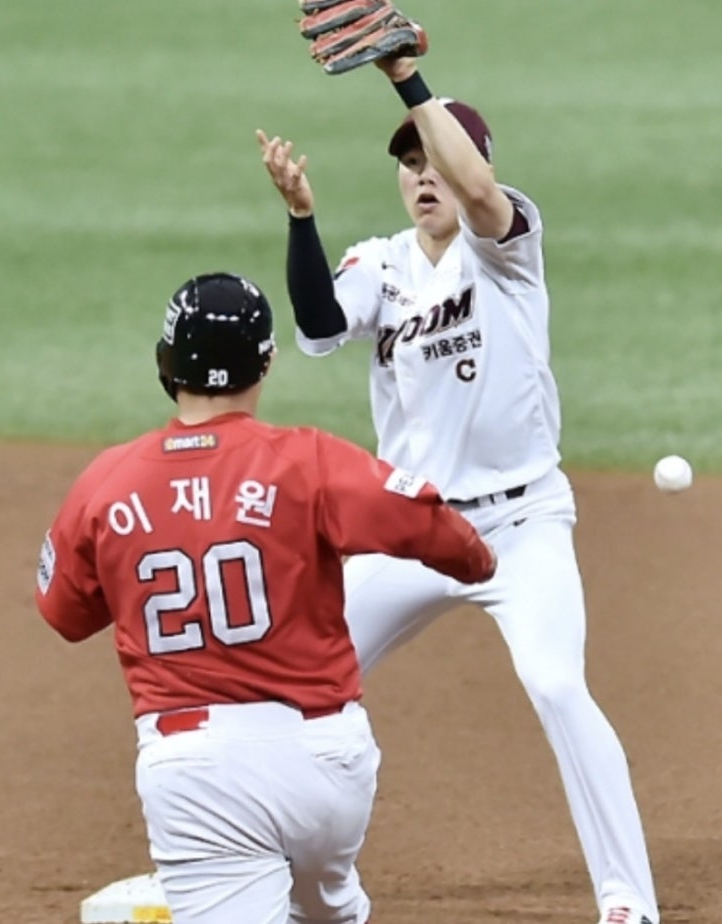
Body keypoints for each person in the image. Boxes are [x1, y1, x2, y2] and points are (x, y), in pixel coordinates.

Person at [256, 45, 660, 924]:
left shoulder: (507, 246)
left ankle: (628, 903)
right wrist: (300, 218)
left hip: (522, 528)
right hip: (416, 531)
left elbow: (480, 195)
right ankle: (285, 890)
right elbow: (321, 324)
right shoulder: (383, 264)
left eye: (433, 158)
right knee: (290, 683)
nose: (421, 176)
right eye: (407, 164)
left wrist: (405, 77)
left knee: (556, 683)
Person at [35, 271, 497, 924]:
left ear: (165, 364)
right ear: (266, 361)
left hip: (193, 775)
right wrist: (477, 558)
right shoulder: (307, 461)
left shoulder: (107, 482)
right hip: (325, 767)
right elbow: (439, 532)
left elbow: (63, 613)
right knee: (325, 908)